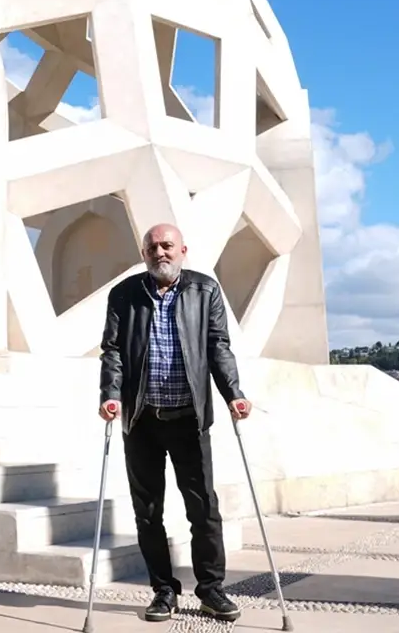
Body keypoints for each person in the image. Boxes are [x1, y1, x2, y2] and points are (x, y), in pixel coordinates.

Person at [97, 222, 250, 623]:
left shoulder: (205, 290)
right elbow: (112, 351)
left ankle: (211, 590)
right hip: (141, 419)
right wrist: (110, 396)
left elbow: (218, 346)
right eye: (152, 248)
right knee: (148, 512)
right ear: (144, 253)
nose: (160, 252)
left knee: (203, 509)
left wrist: (233, 392)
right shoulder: (124, 294)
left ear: (183, 249)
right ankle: (164, 591)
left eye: (167, 246)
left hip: (189, 419)